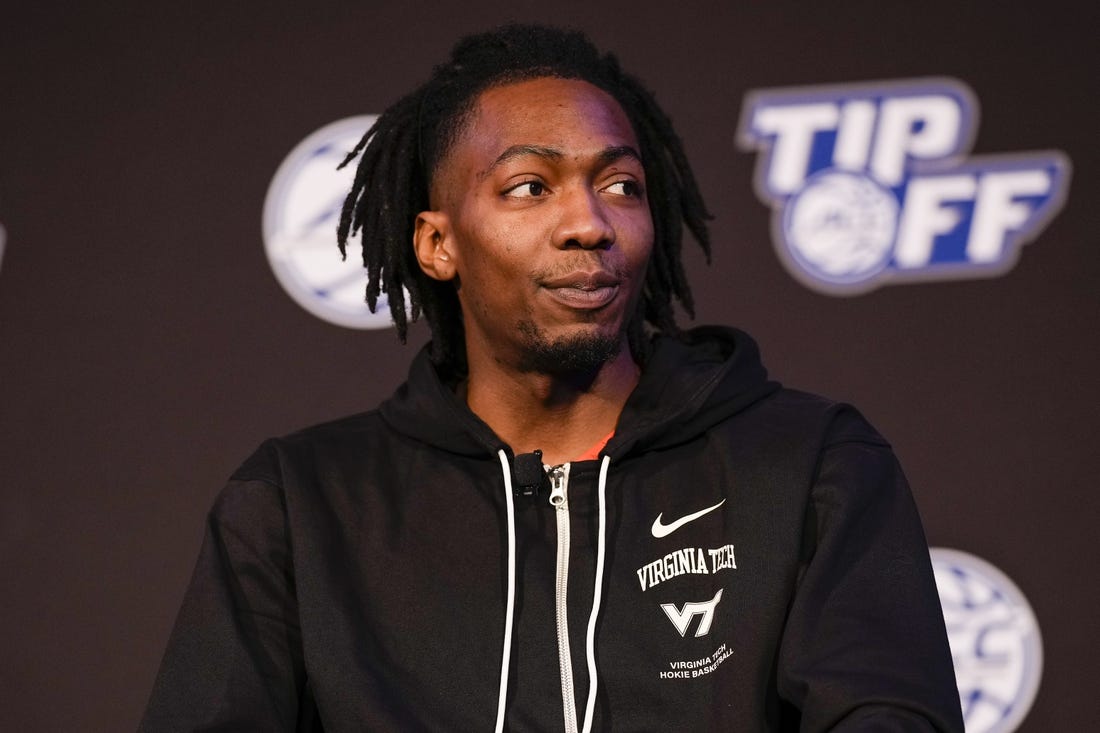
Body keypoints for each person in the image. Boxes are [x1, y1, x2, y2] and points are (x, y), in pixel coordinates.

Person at [140, 24, 964, 732]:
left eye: (621, 186)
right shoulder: (301, 507)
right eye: (530, 186)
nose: (588, 224)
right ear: (438, 243)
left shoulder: (812, 465)